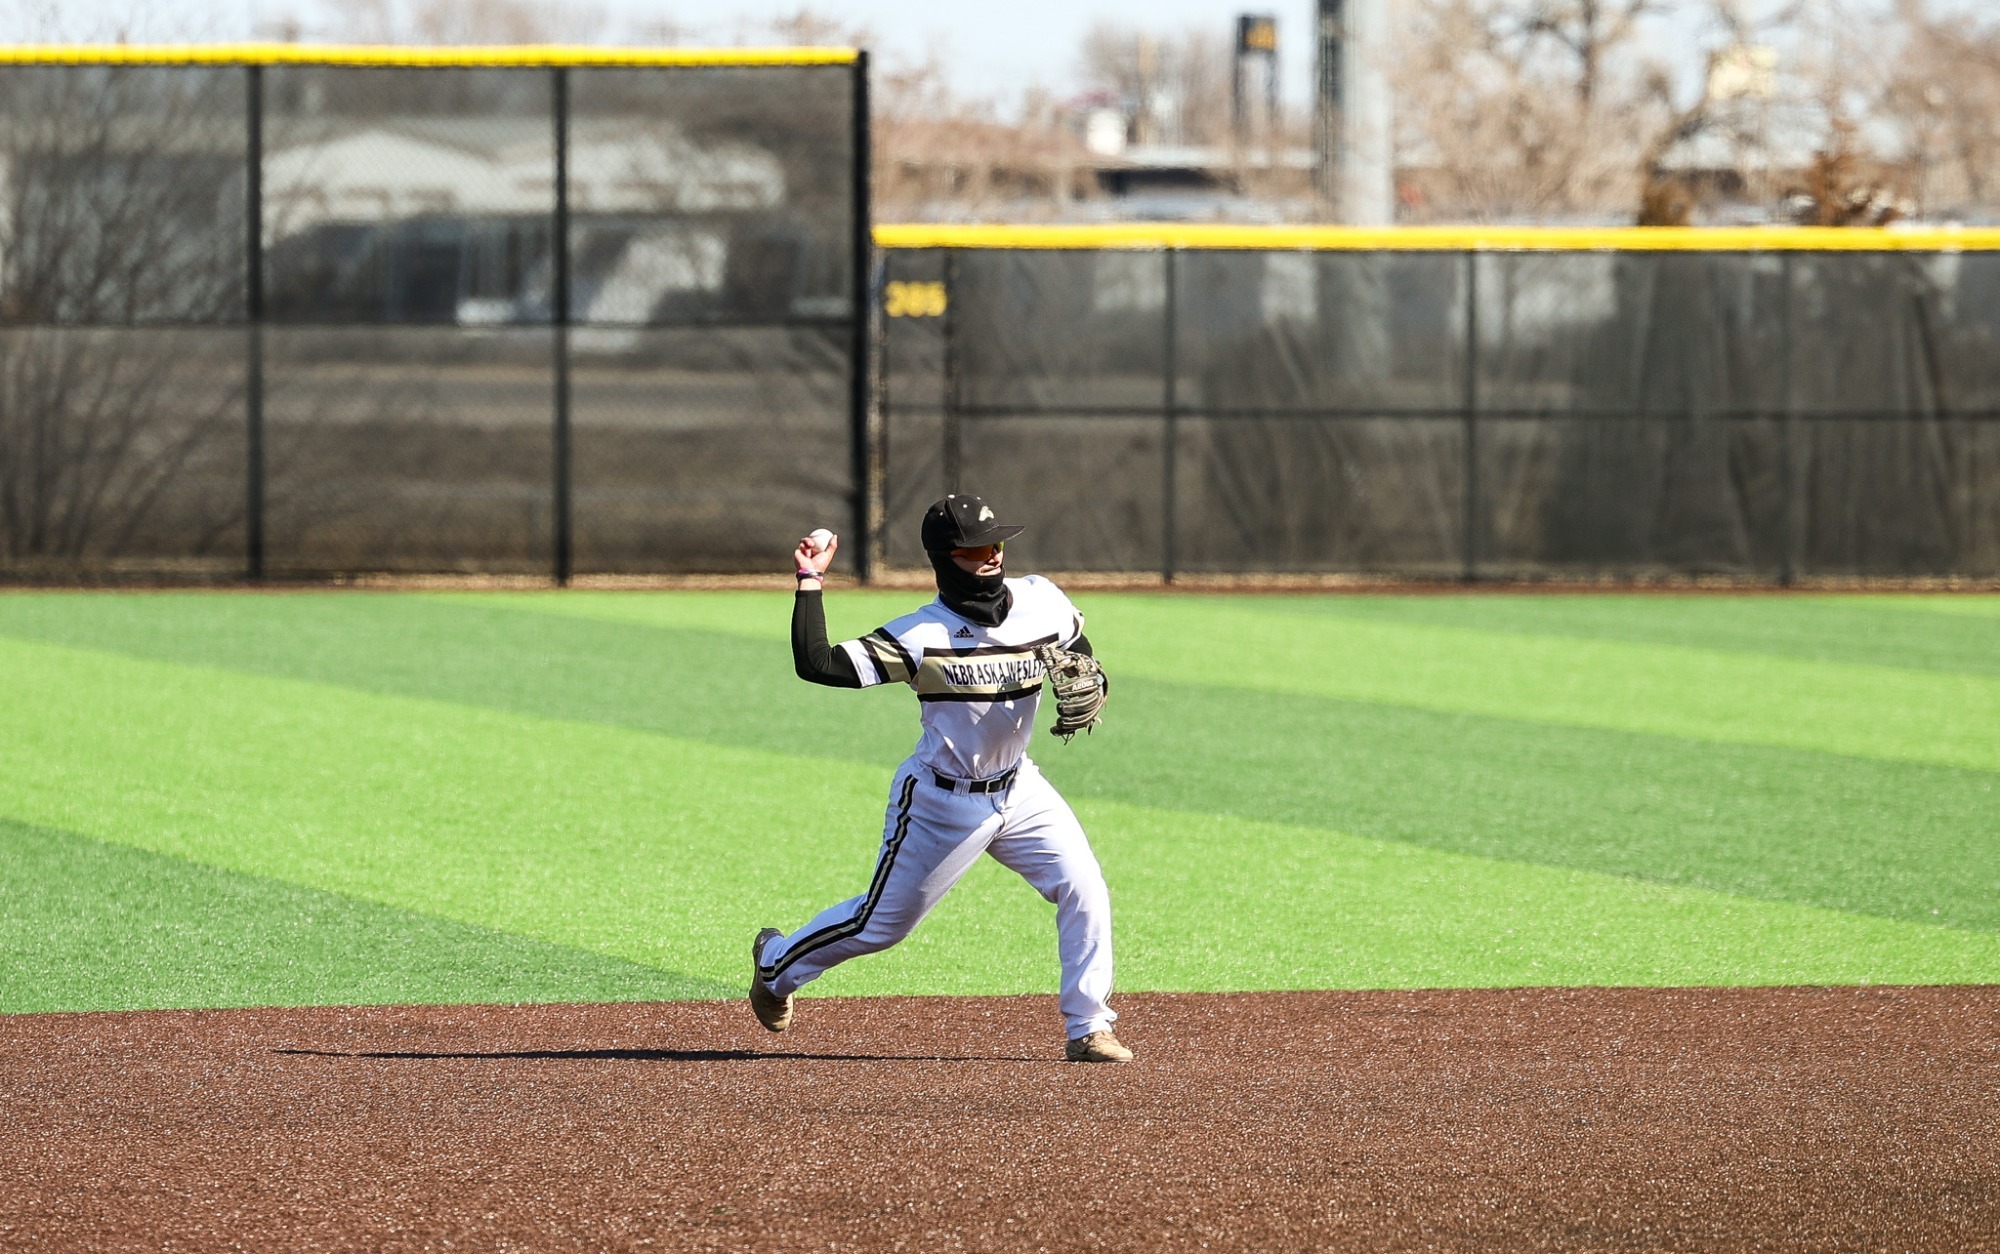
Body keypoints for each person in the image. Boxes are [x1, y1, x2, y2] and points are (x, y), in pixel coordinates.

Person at [749, 494, 1131, 1063]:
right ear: (945, 556)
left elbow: (1080, 655)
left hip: (1020, 788)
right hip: (939, 800)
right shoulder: (919, 634)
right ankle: (775, 964)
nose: (992, 554)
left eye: (997, 542)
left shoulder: (1043, 600)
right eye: (976, 547)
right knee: (878, 926)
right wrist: (809, 580)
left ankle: (1089, 1027)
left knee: (1084, 887)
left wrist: (1092, 679)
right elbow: (819, 663)